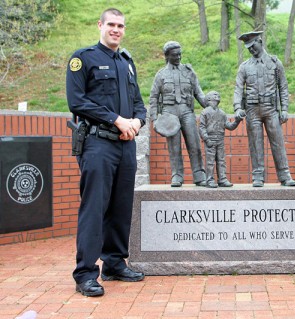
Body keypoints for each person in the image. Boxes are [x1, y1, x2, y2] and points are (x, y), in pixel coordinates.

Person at [66, 8, 146, 297]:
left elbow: (139, 102)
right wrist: (115, 119)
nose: (116, 29)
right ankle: (86, 274)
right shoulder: (83, 59)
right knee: (94, 208)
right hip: (98, 144)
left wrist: (136, 121)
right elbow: (77, 102)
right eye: (111, 24)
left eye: (120, 25)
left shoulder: (127, 62)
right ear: (100, 25)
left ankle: (114, 263)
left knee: (121, 207)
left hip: (126, 144)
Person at [234, 31, 295, 187]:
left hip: (271, 109)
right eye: (248, 48)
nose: (251, 50)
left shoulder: (275, 63)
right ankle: (258, 176)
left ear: (260, 41)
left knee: (277, 142)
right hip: (252, 110)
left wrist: (284, 109)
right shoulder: (244, 67)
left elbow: (283, 86)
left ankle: (285, 176)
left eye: (253, 46)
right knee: (255, 143)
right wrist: (237, 107)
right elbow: (238, 88)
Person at [150, 41, 207, 187]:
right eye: (175, 55)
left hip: (187, 110)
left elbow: (198, 93)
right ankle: (177, 175)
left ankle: (199, 174)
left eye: (180, 54)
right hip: (169, 113)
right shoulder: (160, 75)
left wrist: (209, 106)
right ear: (167, 56)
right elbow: (154, 98)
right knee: (174, 147)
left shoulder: (189, 72)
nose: (179, 57)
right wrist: (154, 119)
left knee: (194, 144)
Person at [199, 91, 242, 188]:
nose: (217, 95)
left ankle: (222, 179)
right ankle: (209, 180)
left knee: (221, 160)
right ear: (208, 98)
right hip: (210, 139)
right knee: (210, 162)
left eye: (218, 94)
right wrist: (206, 139)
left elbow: (230, 126)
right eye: (214, 95)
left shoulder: (222, 113)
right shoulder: (205, 112)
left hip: (220, 140)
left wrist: (237, 121)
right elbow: (201, 128)